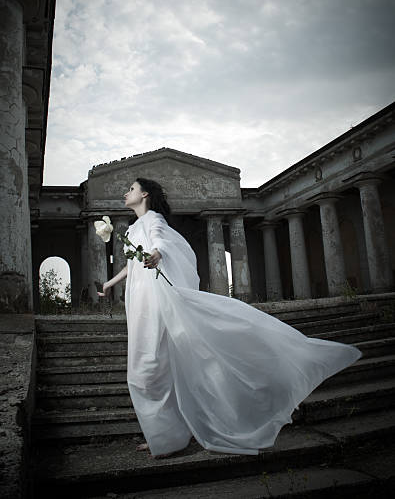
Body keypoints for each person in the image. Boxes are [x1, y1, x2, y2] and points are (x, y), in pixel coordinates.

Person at [98, 178, 362, 459]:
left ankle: (170, 437)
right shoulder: (134, 227)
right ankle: (163, 435)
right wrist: (110, 282)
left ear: (145, 194)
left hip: (156, 299)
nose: (126, 193)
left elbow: (160, 241)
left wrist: (157, 253)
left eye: (131, 189)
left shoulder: (153, 219)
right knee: (146, 366)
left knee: (150, 366)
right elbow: (130, 263)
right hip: (139, 301)